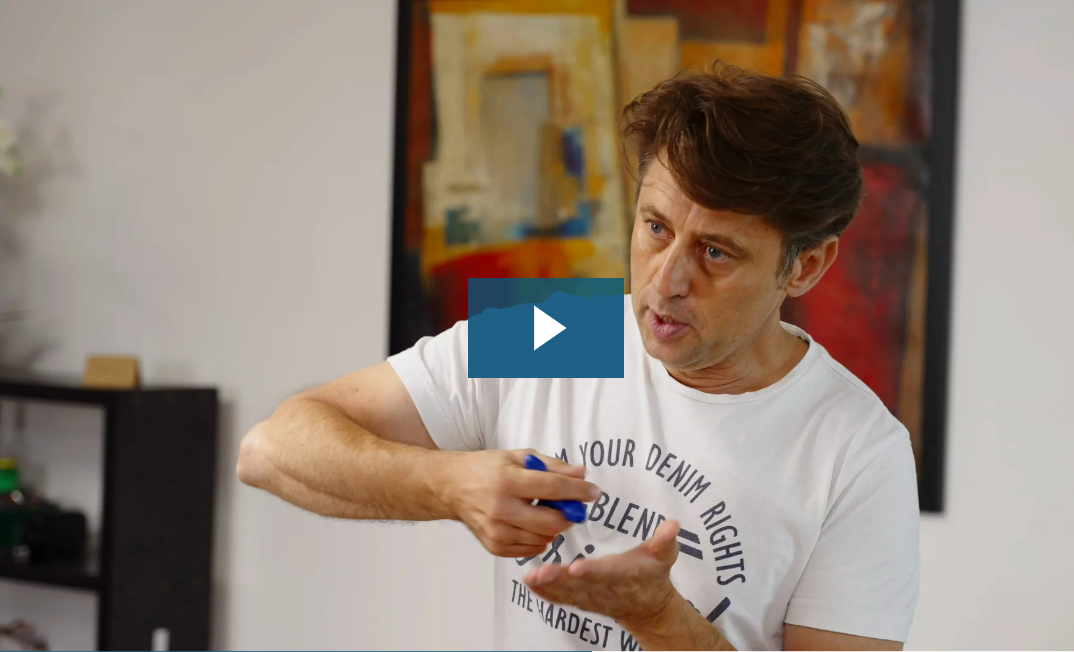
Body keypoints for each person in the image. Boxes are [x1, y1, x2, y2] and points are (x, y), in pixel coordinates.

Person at [238, 63, 919, 651]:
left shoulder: (858, 449)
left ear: (806, 266)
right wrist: (448, 485)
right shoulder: (565, 327)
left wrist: (658, 617)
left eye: (716, 251)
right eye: (656, 227)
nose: (666, 281)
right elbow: (269, 450)